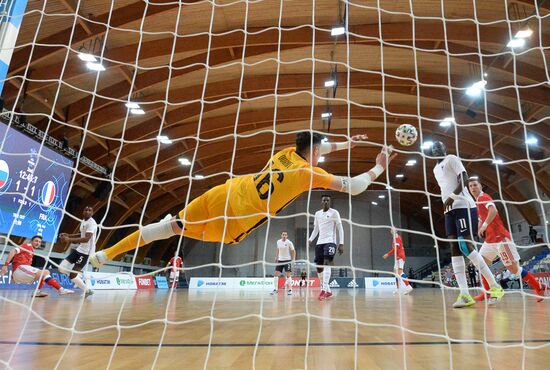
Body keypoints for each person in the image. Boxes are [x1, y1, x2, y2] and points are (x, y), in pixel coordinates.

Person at [91, 132, 396, 267]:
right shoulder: (309, 173)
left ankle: (106, 254)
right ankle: (107, 255)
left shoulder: (285, 153)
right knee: (172, 229)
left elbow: (320, 147)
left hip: (224, 192)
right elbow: (355, 186)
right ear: (314, 152)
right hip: (238, 219)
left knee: (169, 226)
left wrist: (346, 144)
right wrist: (378, 165)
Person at [431, 141, 503, 308]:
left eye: (440, 147)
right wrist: (445, 203)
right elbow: (445, 187)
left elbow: (463, 177)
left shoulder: (451, 158)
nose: (437, 150)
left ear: (445, 149)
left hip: (463, 205)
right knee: (454, 249)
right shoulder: (435, 169)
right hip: (448, 210)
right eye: (434, 148)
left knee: (465, 246)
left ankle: (495, 286)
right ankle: (464, 294)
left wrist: (453, 197)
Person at [468, 178, 546, 302]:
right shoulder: (477, 202)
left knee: (513, 269)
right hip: (490, 240)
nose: (473, 188)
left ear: (480, 186)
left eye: (475, 185)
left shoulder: (484, 197)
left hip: (501, 239)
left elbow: (493, 210)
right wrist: (479, 227)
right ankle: (488, 292)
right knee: (481, 264)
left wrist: (484, 225)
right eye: (470, 186)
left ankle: (538, 286)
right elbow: (481, 218)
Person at [1, 235, 74, 297]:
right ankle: (61, 289)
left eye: (39, 242)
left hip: (21, 273)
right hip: (20, 270)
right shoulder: (27, 246)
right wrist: (5, 265)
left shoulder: (32, 251)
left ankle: (37, 291)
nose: (38, 243)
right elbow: (13, 251)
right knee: (45, 272)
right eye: (36, 241)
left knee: (44, 273)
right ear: (31, 241)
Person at [309, 195, 344, 300]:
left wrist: (341, 243)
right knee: (319, 268)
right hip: (319, 243)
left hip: (330, 242)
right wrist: (310, 239)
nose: (325, 202)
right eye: (324, 200)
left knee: (327, 263)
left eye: (327, 200)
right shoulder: (317, 214)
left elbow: (340, 228)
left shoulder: (334, 212)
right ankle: (327, 290)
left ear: (330, 202)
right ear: (321, 202)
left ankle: (324, 290)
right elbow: (316, 229)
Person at [58, 206, 96, 298]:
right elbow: (81, 234)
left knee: (72, 275)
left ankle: (87, 290)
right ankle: (78, 277)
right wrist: (68, 235)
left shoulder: (92, 223)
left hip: (86, 252)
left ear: (92, 213)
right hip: (80, 249)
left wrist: (68, 239)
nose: (87, 211)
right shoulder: (83, 221)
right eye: (85, 210)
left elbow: (86, 238)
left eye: (89, 210)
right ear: (83, 212)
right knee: (61, 268)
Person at [383, 228, 412, 294]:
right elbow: (395, 248)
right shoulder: (395, 238)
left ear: (396, 231)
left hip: (400, 257)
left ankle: (408, 287)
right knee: (395, 272)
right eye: (390, 229)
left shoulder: (397, 238)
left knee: (400, 272)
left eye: (392, 229)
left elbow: (396, 249)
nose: (391, 230)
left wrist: (388, 254)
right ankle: (398, 289)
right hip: (398, 258)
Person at [271, 231, 296, 295]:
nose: (284, 236)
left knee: (288, 275)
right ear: (281, 235)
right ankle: (275, 289)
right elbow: (278, 249)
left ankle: (290, 290)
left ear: (287, 236)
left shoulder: (289, 242)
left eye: (285, 235)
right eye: (283, 234)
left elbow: (293, 251)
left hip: (287, 260)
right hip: (280, 260)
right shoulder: (278, 242)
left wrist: (293, 259)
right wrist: (276, 257)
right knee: (276, 274)